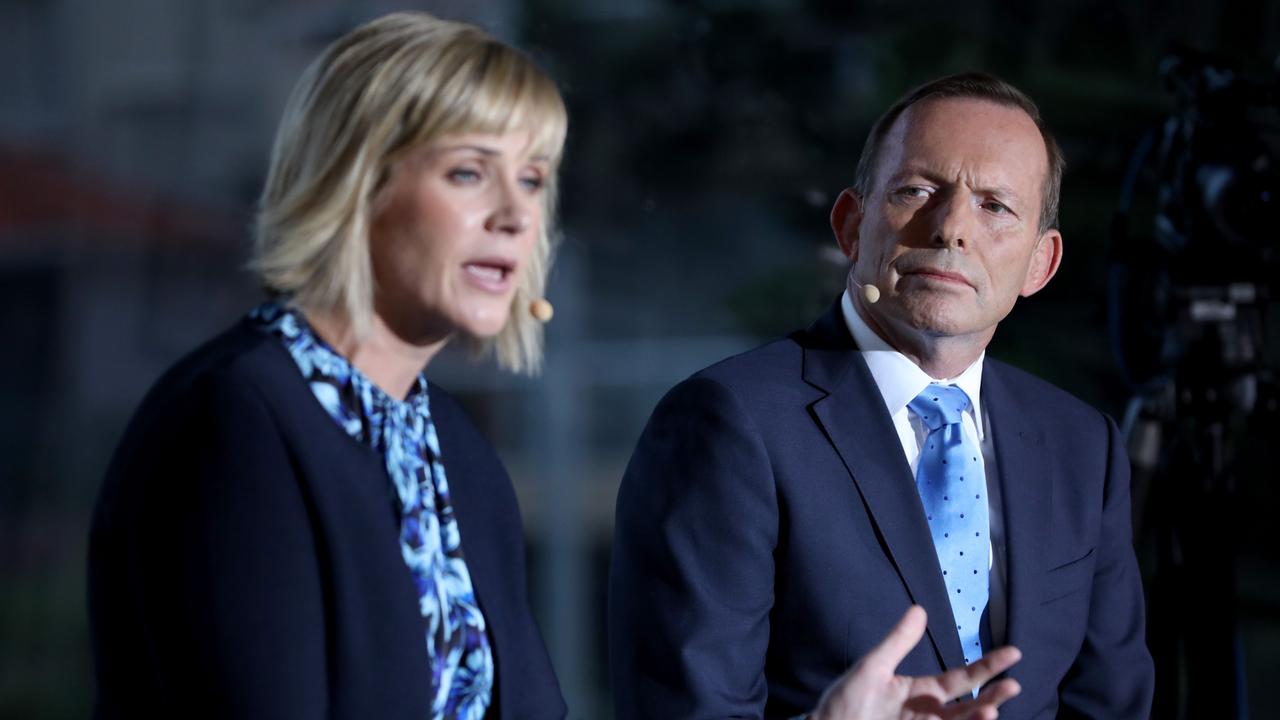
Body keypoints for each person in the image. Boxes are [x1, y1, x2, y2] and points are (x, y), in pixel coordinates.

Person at [609, 73, 1156, 719]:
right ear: (851, 225)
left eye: (995, 206)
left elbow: (1111, 704)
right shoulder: (729, 424)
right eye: (918, 190)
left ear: (1041, 263)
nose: (952, 228)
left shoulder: (1081, 445)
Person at [88, 13, 567, 719]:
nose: (515, 215)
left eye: (532, 180)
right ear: (358, 183)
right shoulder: (237, 422)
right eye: (469, 171)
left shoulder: (455, 451)